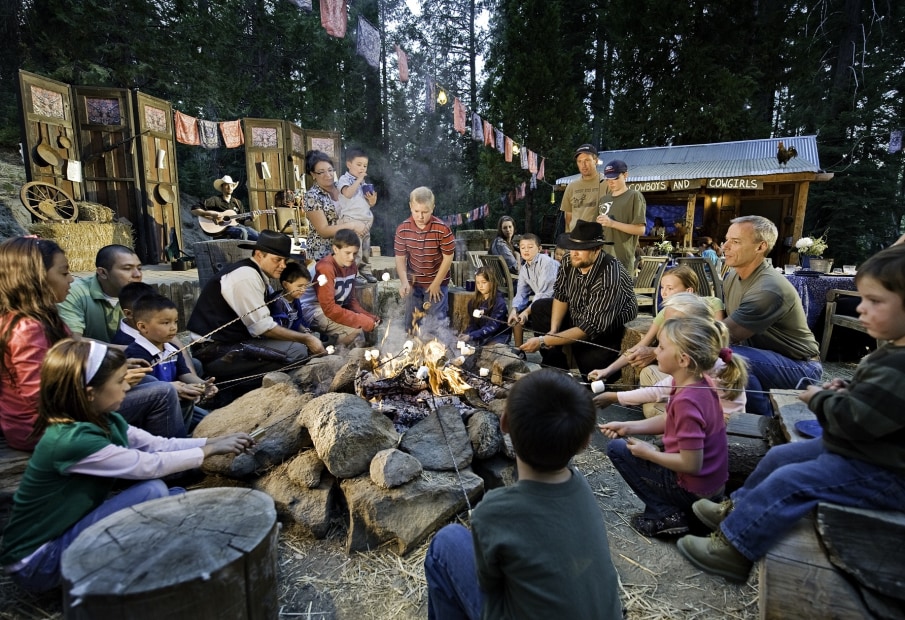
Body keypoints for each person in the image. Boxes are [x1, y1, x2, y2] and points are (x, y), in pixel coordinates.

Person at [677, 244, 905, 582]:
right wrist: (844, 390)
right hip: (867, 452)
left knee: (791, 481)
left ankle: (734, 549)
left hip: (885, 472)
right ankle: (736, 509)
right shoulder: (891, 352)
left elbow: (853, 422)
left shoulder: (899, 366)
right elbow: (874, 404)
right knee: (781, 457)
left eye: (875, 302)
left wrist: (819, 400)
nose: (861, 309)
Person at [0, 339, 253, 593]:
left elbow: (158, 445)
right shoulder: (72, 440)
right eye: (120, 381)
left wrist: (214, 440)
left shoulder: (103, 418)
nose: (127, 387)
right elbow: (149, 465)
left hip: (60, 539)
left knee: (169, 497)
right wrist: (210, 451)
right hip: (38, 563)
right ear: (90, 393)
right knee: (154, 492)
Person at [423, 369, 622, 619]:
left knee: (447, 541)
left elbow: (489, 582)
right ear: (585, 443)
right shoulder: (581, 487)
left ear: (503, 423)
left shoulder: (493, 510)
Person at [0, 238, 185, 450]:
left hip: (64, 409)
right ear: (35, 278)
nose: (71, 279)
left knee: (147, 380)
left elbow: (73, 358)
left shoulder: (45, 317)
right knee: (162, 393)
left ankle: (163, 449)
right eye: (63, 273)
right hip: (44, 426)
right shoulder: (27, 329)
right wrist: (115, 381)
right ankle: (173, 468)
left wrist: (117, 369)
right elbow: (43, 397)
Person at [599, 316, 744, 538]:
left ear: (684, 360)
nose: (655, 352)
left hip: (697, 490)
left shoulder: (689, 400)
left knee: (617, 450)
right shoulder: (694, 383)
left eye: (662, 347)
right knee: (631, 443)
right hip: (711, 486)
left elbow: (691, 464)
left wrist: (650, 454)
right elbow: (669, 420)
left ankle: (666, 515)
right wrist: (629, 427)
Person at [187, 230, 325, 393]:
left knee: (298, 347)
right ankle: (233, 389)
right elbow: (262, 328)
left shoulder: (257, 275)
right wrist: (307, 338)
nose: (283, 266)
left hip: (229, 344)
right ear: (259, 255)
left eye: (284, 260)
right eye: (277, 260)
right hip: (214, 351)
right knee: (298, 351)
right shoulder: (247, 276)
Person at [721, 215, 821, 415]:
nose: (725, 247)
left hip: (801, 367)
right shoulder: (732, 276)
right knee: (729, 356)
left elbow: (722, 336)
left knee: (730, 357)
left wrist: (664, 349)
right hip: (764, 358)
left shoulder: (769, 288)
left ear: (760, 247)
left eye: (736, 242)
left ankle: (759, 420)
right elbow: (719, 320)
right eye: (726, 240)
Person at [593, 293, 747, 419]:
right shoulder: (699, 359)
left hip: (709, 435)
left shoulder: (698, 378)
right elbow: (661, 388)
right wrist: (615, 394)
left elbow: (690, 457)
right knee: (650, 379)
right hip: (697, 416)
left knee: (658, 408)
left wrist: (616, 398)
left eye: (672, 322)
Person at [519, 220, 636, 376]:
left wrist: (542, 341)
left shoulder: (610, 274)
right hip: (578, 311)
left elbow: (589, 326)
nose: (574, 253)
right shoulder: (569, 260)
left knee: (591, 372)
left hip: (605, 324)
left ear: (597, 249)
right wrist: (552, 331)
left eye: (581, 249)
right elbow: (561, 295)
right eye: (572, 247)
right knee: (539, 307)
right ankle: (555, 368)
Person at [588, 266, 726, 387]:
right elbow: (641, 345)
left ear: (689, 290)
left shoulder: (712, 304)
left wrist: (655, 352)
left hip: (703, 370)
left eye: (670, 288)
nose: (663, 293)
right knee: (648, 375)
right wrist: (607, 371)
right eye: (662, 287)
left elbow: (717, 342)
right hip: (679, 369)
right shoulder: (665, 312)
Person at [125, 294, 214, 432]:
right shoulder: (136, 354)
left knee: (209, 421)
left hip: (177, 401)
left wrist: (202, 384)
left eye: (175, 322)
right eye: (165, 323)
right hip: (155, 410)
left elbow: (185, 374)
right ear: (143, 327)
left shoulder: (172, 349)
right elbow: (148, 389)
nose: (173, 328)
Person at [300, 229, 380, 347]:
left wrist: (367, 315)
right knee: (356, 334)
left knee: (364, 329)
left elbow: (350, 301)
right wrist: (360, 320)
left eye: (355, 253)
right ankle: (330, 356)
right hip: (313, 311)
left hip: (334, 308)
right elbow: (329, 309)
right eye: (347, 253)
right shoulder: (325, 268)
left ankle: (329, 345)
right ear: (335, 249)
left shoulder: (351, 266)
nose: (352, 257)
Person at [394, 187, 455, 332]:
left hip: (437, 283)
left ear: (432, 208)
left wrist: (436, 283)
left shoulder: (442, 229)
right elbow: (400, 258)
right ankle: (411, 349)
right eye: (416, 211)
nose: (420, 216)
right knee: (411, 324)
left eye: (425, 212)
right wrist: (404, 282)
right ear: (410, 206)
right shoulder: (403, 229)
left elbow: (448, 257)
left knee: (436, 323)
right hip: (414, 283)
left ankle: (438, 350)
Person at [57, 244, 143, 342]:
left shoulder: (143, 295)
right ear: (102, 273)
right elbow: (72, 341)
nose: (137, 274)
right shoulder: (73, 293)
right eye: (127, 268)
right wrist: (127, 350)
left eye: (139, 268)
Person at [304, 150, 368, 262]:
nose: (328, 175)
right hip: (323, 254)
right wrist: (352, 225)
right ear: (313, 174)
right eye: (321, 172)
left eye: (330, 170)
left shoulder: (342, 186)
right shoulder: (312, 196)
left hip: (346, 251)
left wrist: (370, 200)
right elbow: (323, 231)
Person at [508, 233, 559, 349]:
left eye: (530, 247)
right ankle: (519, 350)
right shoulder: (525, 268)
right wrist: (514, 310)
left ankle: (546, 351)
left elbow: (544, 294)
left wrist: (526, 312)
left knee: (536, 307)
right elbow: (521, 293)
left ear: (539, 248)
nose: (526, 250)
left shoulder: (546, 262)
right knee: (517, 312)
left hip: (557, 302)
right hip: (541, 302)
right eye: (522, 247)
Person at [596, 159, 647, 274]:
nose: (611, 182)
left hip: (622, 261)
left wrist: (612, 223)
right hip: (601, 260)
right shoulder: (604, 200)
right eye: (608, 179)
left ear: (625, 175)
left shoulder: (634, 196)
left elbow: (640, 229)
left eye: (615, 178)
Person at [337, 147, 378, 283]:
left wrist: (372, 200)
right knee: (355, 249)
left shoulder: (363, 183)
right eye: (359, 165)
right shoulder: (344, 179)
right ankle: (353, 273)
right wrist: (358, 180)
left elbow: (369, 204)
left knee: (365, 249)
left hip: (365, 221)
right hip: (351, 221)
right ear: (349, 164)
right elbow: (348, 193)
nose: (362, 168)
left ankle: (365, 270)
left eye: (365, 166)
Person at [192, 175, 260, 241]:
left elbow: (243, 222)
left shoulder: (237, 203)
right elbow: (194, 209)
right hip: (222, 229)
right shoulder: (215, 200)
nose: (229, 187)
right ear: (222, 187)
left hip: (238, 227)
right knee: (242, 232)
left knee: (258, 236)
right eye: (227, 185)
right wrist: (211, 214)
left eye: (231, 185)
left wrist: (252, 219)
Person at [560, 143, 604, 233]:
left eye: (587, 160)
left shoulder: (607, 183)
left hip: (600, 239)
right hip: (577, 239)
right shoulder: (571, 186)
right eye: (579, 161)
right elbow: (568, 216)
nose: (583, 164)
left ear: (596, 161)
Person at [461, 267, 509, 346]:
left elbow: (492, 327)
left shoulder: (499, 303)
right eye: (478, 283)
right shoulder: (473, 302)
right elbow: (473, 324)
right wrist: (467, 334)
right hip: (481, 333)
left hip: (498, 334)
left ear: (492, 282)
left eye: (484, 282)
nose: (480, 286)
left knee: (489, 351)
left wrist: (471, 336)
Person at [269, 261, 314, 334]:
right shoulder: (278, 303)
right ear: (285, 285)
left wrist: (305, 331)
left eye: (305, 286)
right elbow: (278, 329)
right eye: (299, 286)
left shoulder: (295, 300)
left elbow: (298, 320)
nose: (303, 290)